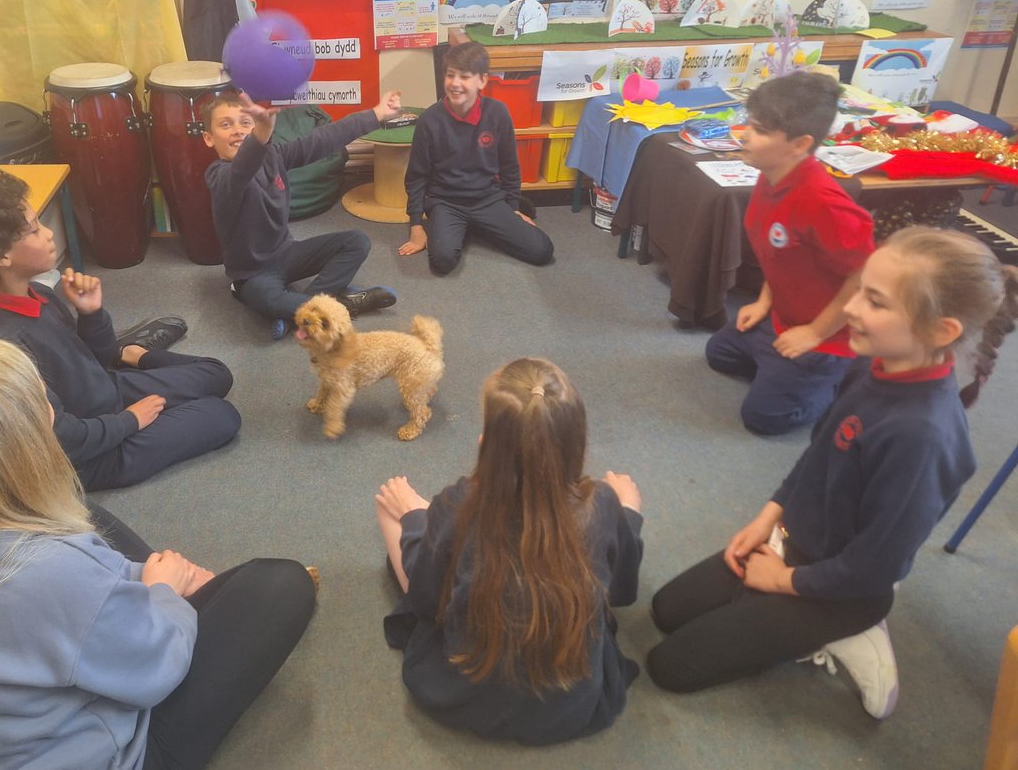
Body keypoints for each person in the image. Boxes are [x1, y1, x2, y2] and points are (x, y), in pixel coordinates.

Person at [0, 338, 316, 769]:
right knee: (280, 584)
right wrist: (163, 593)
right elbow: (152, 671)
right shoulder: (41, 573)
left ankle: (153, 597)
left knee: (86, 512)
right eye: (47, 408)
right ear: (27, 442)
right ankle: (166, 598)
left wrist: (143, 578)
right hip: (98, 749)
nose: (56, 416)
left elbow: (59, 590)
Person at [648, 227, 1018, 718]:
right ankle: (784, 598)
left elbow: (874, 566)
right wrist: (769, 518)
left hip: (847, 589)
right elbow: (819, 455)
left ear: (941, 331)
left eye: (876, 302)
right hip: (798, 541)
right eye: (860, 289)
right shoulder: (872, 367)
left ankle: (851, 633)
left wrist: (782, 581)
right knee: (665, 611)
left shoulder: (923, 438)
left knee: (668, 667)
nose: (850, 309)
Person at [375, 358, 644, 744]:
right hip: (570, 705)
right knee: (623, 508)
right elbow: (620, 590)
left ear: (487, 445)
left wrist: (418, 518)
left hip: (463, 692)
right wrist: (629, 512)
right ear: (576, 442)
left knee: (393, 507)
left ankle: (413, 518)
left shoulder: (458, 504)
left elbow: (426, 598)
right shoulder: (601, 504)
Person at [0, 169, 240, 491]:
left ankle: (132, 352)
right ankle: (134, 363)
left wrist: (91, 315)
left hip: (108, 391)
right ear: (0, 256)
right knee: (221, 414)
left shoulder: (40, 293)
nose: (48, 235)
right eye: (34, 230)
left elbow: (96, 362)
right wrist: (130, 420)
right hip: (93, 455)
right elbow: (60, 437)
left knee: (217, 374)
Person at [704, 73, 874, 435]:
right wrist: (765, 302)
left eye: (761, 130)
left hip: (829, 333)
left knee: (764, 418)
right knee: (719, 353)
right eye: (749, 123)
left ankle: (839, 380)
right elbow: (780, 253)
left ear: (800, 145)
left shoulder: (824, 204)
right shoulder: (769, 175)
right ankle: (783, 372)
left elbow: (866, 277)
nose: (745, 135)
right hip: (783, 316)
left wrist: (814, 333)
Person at [205, 89, 403, 340]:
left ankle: (298, 314)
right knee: (265, 298)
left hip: (287, 254)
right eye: (225, 124)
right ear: (208, 138)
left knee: (356, 241)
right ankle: (342, 304)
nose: (237, 130)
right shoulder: (218, 176)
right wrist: (260, 135)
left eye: (246, 123)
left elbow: (322, 139)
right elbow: (241, 171)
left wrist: (376, 114)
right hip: (253, 275)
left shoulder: (273, 155)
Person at [398, 43, 554, 275]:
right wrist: (416, 224)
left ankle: (479, 224)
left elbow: (510, 166)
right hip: (445, 201)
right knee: (442, 261)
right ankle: (464, 225)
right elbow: (416, 176)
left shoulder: (498, 113)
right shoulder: (429, 120)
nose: (455, 83)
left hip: (487, 198)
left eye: (465, 76)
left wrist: (512, 208)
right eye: (450, 75)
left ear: (482, 80)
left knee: (542, 251)